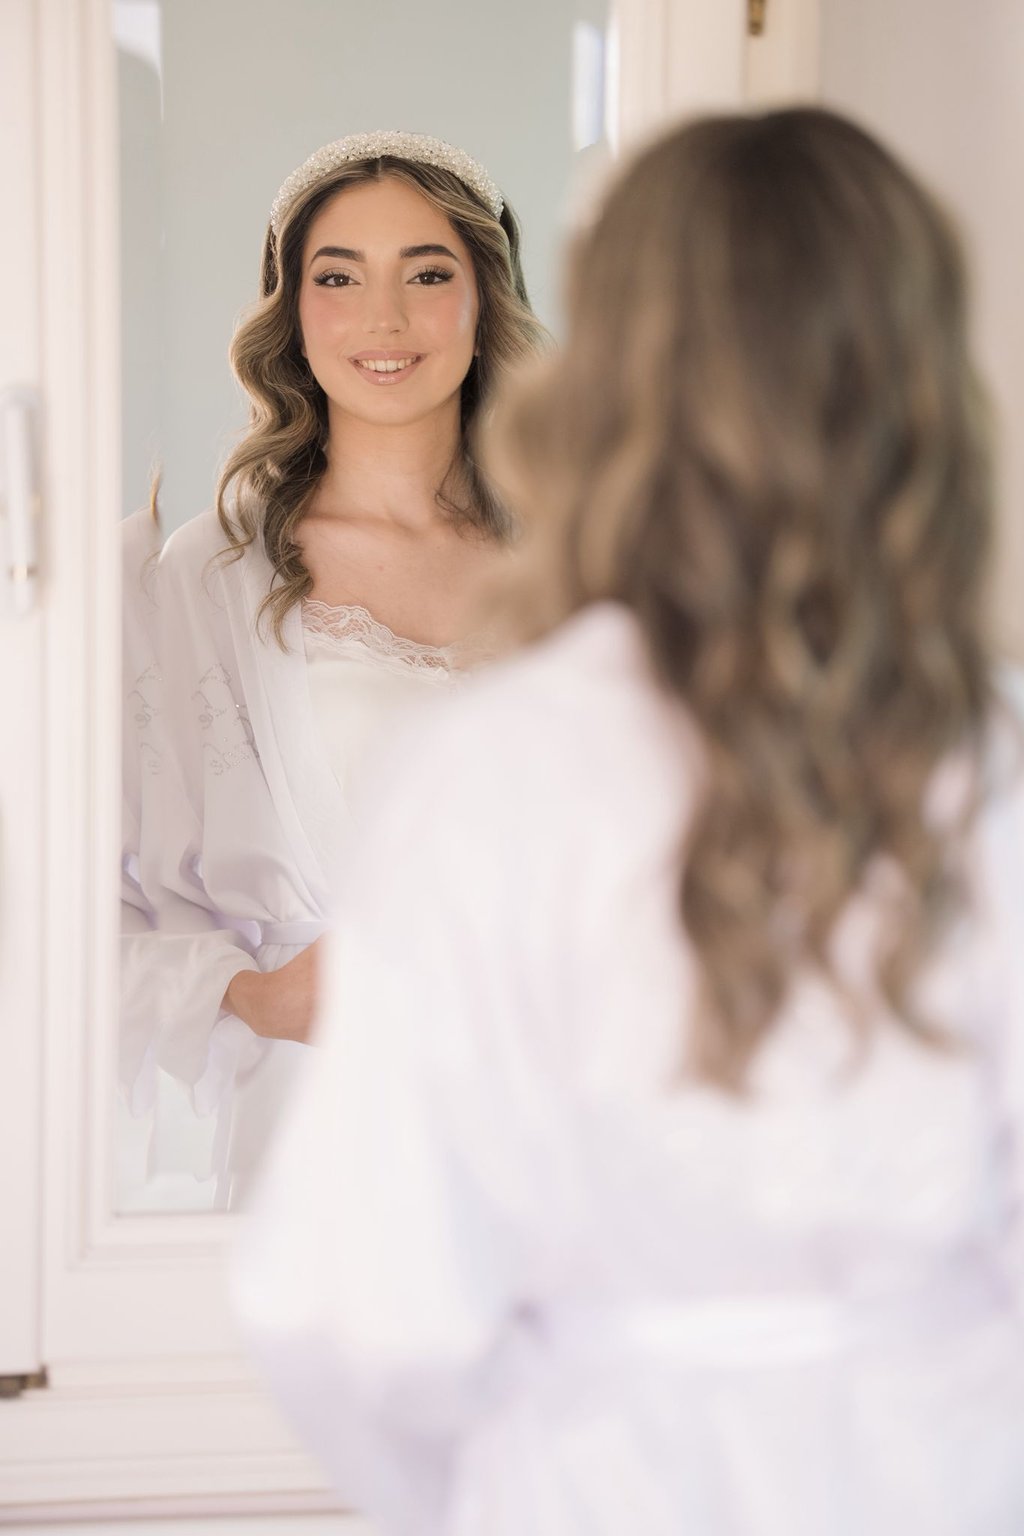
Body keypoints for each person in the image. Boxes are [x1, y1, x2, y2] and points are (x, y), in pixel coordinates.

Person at [234, 108, 1024, 1534]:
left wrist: (514, 1481)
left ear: (610, 378)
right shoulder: (1000, 759)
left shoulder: (489, 775)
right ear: (924, 373)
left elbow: (358, 1312)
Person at [121, 132, 545, 1206]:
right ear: (292, 311)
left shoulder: (581, 556)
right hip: (326, 1143)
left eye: (428, 274)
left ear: (485, 300)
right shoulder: (210, 576)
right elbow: (93, 901)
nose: (384, 320)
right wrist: (259, 997)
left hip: (557, 1123)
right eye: (339, 278)